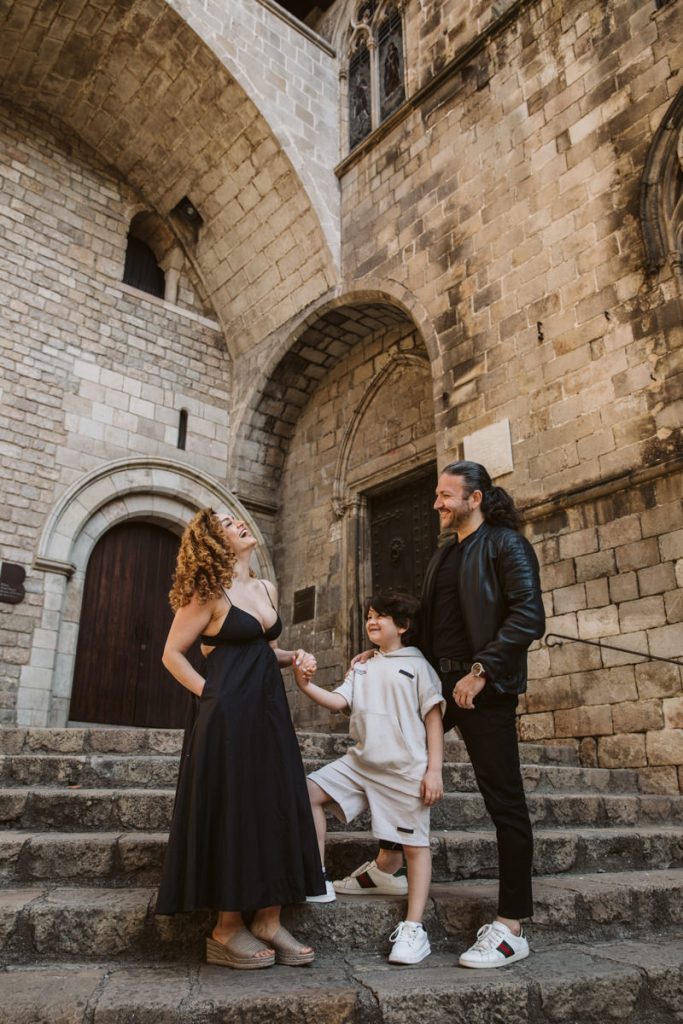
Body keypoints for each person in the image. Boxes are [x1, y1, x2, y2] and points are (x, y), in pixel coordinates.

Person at [340, 461, 545, 969]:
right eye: (436, 494)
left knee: (505, 802)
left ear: (474, 498)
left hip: (484, 688)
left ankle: (512, 925)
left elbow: (528, 615)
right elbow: (426, 629)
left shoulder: (505, 544)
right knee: (398, 762)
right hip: (439, 684)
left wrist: (482, 671)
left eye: (446, 495)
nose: (437, 503)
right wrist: (385, 651)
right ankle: (389, 863)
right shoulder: (442, 556)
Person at [155, 507, 325, 970]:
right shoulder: (206, 592)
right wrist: (212, 696)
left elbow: (266, 652)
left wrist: (296, 658)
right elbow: (173, 654)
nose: (239, 525)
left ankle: (269, 920)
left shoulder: (265, 588)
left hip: (269, 714)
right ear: (213, 540)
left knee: (276, 802)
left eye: (238, 520)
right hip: (227, 716)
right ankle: (226, 929)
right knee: (236, 807)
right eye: (227, 524)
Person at [294, 591, 445, 965]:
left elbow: (433, 720)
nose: (372, 622)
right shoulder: (361, 666)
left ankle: (413, 928)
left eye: (382, 617)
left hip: (403, 770)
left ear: (403, 626)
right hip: (360, 763)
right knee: (307, 791)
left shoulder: (419, 666)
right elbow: (339, 701)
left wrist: (434, 771)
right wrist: (304, 685)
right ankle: (317, 875)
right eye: (370, 616)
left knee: (415, 848)